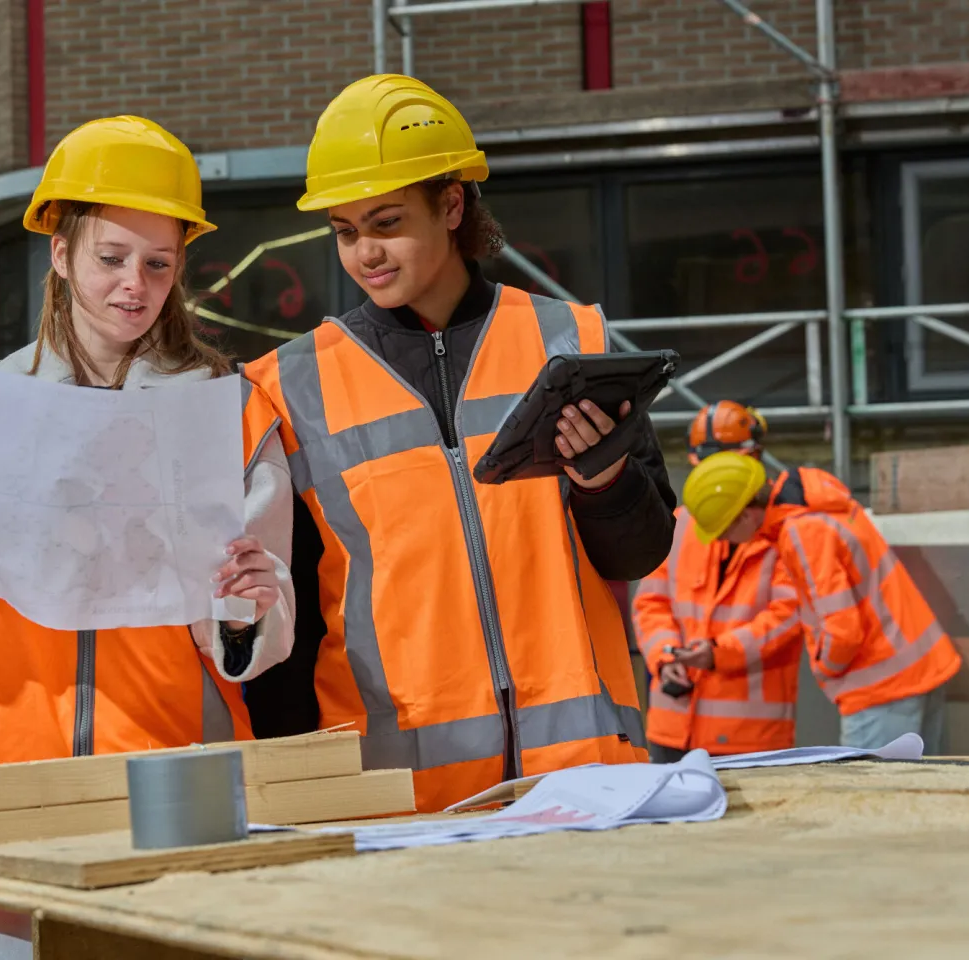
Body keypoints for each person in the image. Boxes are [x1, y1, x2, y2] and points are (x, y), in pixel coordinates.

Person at [0, 117, 295, 957]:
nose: (136, 284)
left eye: (158, 263)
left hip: (169, 784)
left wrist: (245, 610)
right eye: (111, 258)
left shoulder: (228, 414)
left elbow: (256, 632)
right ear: (60, 254)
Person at [242, 75, 677, 812]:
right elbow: (290, 623)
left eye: (385, 223)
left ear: (450, 205)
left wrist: (605, 481)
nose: (365, 254)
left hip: (582, 779)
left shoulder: (568, 339)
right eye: (345, 232)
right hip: (397, 796)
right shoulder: (287, 387)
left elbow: (641, 553)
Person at [680, 451, 960, 753]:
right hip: (915, 666)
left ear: (746, 515)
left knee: (868, 797)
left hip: (881, 686)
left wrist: (825, 667)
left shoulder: (801, 532)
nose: (727, 542)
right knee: (923, 792)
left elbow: (843, 631)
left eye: (724, 532)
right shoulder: (817, 506)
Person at [633, 401, 803, 762]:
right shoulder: (680, 525)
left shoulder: (783, 532)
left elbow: (788, 615)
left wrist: (718, 652)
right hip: (672, 725)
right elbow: (651, 603)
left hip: (749, 737)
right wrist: (665, 658)